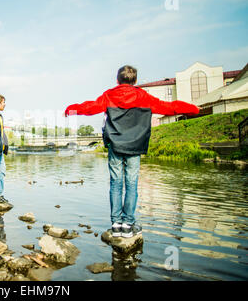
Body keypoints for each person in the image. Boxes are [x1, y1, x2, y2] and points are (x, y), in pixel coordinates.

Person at [65, 65, 199, 238]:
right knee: (131, 184)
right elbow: (169, 107)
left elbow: (91, 107)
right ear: (135, 81)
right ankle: (128, 225)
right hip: (134, 146)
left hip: (115, 144)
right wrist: (192, 108)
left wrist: (72, 109)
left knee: (115, 183)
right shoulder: (142, 96)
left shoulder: (109, 95)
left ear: (117, 80)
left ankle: (115, 225)